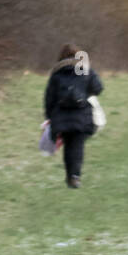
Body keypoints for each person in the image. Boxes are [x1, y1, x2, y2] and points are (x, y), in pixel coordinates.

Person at [43, 43, 104, 188]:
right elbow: (98, 88)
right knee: (77, 145)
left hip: (61, 115)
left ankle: (70, 176)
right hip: (81, 114)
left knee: (69, 145)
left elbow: (49, 97)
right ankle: (75, 176)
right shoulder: (86, 70)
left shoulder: (56, 74)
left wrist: (49, 116)